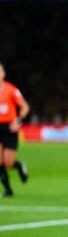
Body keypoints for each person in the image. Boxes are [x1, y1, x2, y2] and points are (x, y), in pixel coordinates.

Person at [0, 62, 29, 197]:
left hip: (9, 128)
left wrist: (18, 120)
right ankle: (8, 189)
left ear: (3, 74)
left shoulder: (11, 90)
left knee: (8, 162)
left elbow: (25, 107)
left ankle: (19, 166)